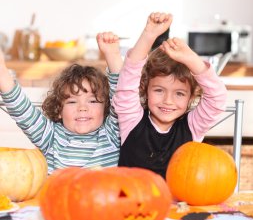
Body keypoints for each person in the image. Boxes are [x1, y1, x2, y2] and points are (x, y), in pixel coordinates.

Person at [101, 12, 227, 179]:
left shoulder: (193, 127)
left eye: (179, 93)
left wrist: (191, 59)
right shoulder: (131, 119)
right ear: (145, 89)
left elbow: (217, 99)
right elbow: (129, 77)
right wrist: (149, 35)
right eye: (159, 90)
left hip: (180, 204)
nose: (168, 101)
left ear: (191, 97)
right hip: (132, 201)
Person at [0, 34, 122, 174]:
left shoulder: (111, 133)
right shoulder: (50, 136)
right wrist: (2, 74)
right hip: (57, 195)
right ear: (59, 109)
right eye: (72, 101)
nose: (82, 108)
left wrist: (113, 54)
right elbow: (22, 111)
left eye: (93, 101)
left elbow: (121, 94)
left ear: (106, 107)